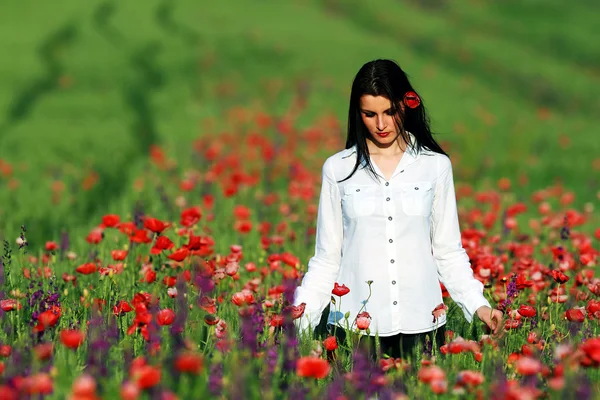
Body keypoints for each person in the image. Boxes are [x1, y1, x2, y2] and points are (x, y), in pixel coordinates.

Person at [293, 59, 503, 361]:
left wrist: (478, 306)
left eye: (390, 112)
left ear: (407, 105)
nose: (381, 124)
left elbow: (448, 252)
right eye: (370, 114)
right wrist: (299, 320)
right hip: (353, 330)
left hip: (423, 326)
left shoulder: (435, 166)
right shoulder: (338, 170)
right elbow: (327, 258)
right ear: (358, 114)